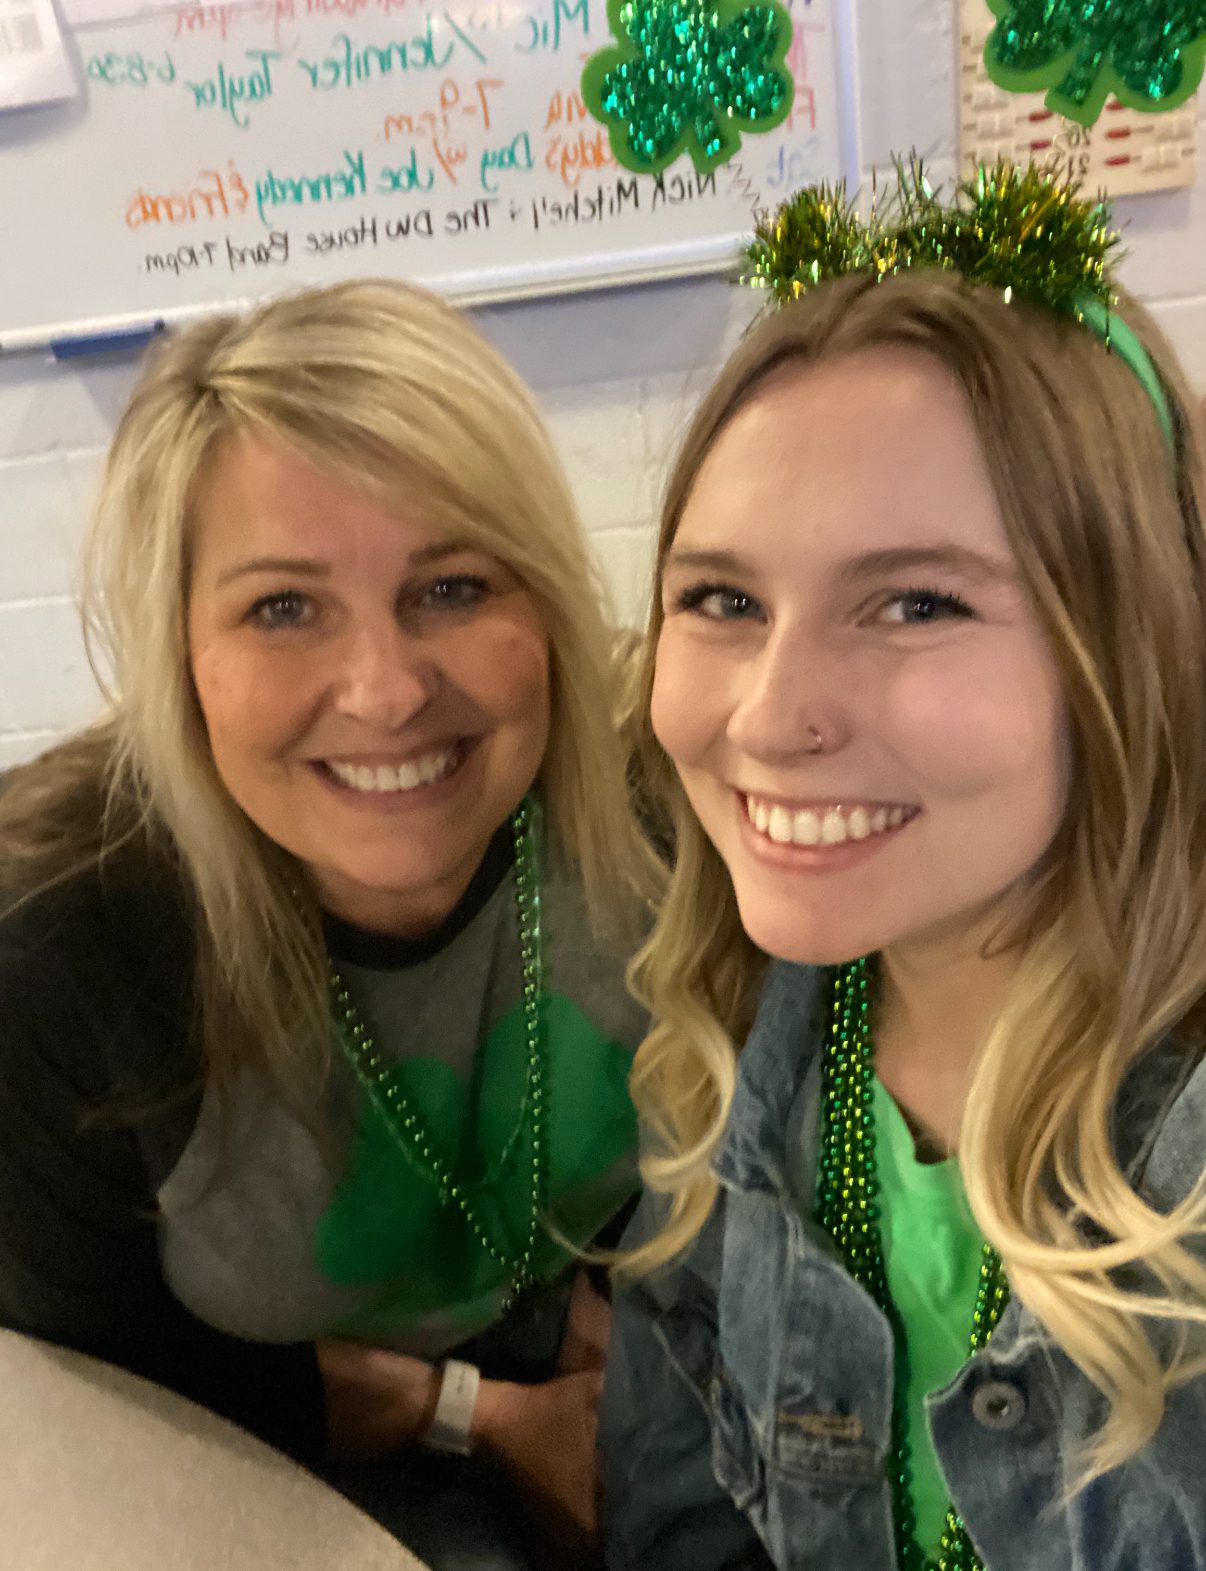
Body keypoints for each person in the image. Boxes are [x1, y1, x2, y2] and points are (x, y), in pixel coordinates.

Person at [599, 165, 1206, 1571]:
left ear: (1135, 645)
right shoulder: (733, 1053)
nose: (768, 718)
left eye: (917, 603)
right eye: (722, 599)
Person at [0, 279, 654, 1571]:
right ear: (178, 651)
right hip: (257, 1459)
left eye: (453, 585)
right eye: (283, 608)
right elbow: (99, 1401)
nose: (386, 690)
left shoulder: (670, 804)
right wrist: (475, 1417)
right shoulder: (54, 945)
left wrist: (615, 1336)